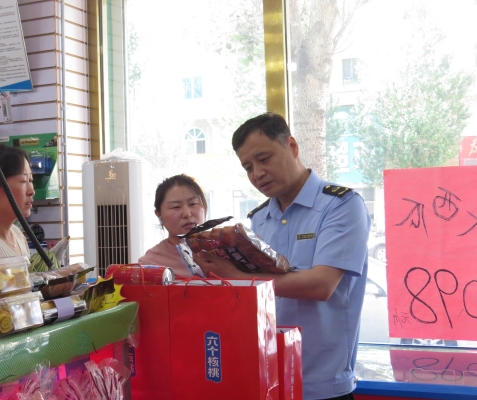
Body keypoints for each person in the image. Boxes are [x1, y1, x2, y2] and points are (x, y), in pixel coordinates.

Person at [195, 113, 370, 400]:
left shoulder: (341, 206)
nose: (257, 174)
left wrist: (239, 278)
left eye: (264, 159)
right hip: (268, 377)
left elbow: (321, 285)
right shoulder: (260, 218)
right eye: (248, 167)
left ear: (292, 146)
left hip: (322, 383)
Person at [138, 174, 207, 277]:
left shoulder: (224, 251)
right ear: (159, 214)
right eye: (176, 207)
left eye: (193, 204)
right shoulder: (149, 264)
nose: (187, 213)